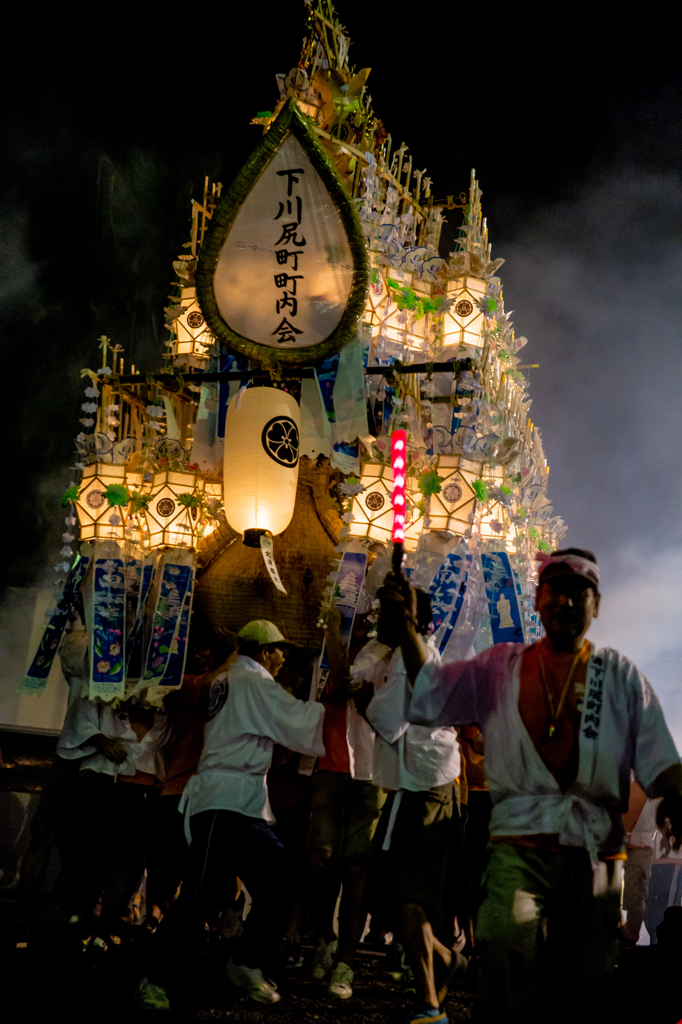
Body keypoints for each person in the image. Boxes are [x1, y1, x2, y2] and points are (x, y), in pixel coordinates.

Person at [382, 548, 682, 1023]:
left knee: (583, 982)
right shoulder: (500, 665)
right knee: (503, 953)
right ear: (538, 599)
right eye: (555, 591)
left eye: (578, 594)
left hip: (594, 849)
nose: (565, 602)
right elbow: (433, 691)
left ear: (596, 604)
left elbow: (659, 756)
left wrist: (677, 801)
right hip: (517, 842)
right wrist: (406, 633)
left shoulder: (620, 675)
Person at [136, 619, 325, 1012]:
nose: (283, 657)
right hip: (226, 800)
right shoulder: (254, 683)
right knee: (205, 891)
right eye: (279, 650)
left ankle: (243, 963)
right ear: (264, 652)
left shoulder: (227, 679)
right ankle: (155, 976)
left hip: (238, 801)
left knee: (280, 879)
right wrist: (333, 699)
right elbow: (304, 724)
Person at [354, 589, 464, 1024]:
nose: (377, 623)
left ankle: (430, 1006)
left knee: (403, 898)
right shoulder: (417, 655)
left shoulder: (404, 660)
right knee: (398, 896)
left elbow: (387, 722)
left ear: (405, 620)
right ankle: (445, 965)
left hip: (420, 791)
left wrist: (363, 699)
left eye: (384, 615)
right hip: (427, 788)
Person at [306, 605, 391, 1000]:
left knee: (357, 868)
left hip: (368, 772)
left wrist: (334, 637)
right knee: (322, 860)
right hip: (328, 765)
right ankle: (323, 940)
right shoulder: (324, 649)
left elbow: (343, 683)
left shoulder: (381, 652)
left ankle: (346, 962)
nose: (351, 616)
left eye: (355, 610)